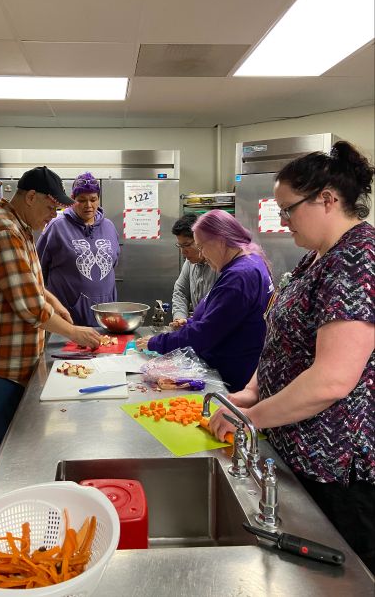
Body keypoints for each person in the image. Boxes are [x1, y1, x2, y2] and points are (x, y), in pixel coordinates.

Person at [209, 142, 374, 573]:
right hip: (296, 448)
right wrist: (251, 391)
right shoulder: (314, 258)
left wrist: (252, 418)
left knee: (341, 577)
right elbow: (286, 342)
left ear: (327, 199)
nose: (282, 222)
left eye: (288, 210)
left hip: (336, 466)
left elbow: (333, 380)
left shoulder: (357, 257)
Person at [0, 166, 101, 490]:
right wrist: (75, 333)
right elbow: (30, 307)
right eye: (50, 207)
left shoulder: (17, 228)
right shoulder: (2, 231)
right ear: (30, 197)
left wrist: (55, 301)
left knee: (12, 444)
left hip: (15, 360)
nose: (52, 216)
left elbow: (29, 282)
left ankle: (9, 501)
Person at [136, 210, 274, 392]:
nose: (201, 254)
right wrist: (191, 321)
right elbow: (216, 314)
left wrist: (157, 342)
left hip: (233, 375)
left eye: (201, 247)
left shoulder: (239, 276)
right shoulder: (250, 261)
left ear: (220, 241)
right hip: (238, 364)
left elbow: (205, 334)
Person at [36, 171, 120, 326]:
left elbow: (112, 263)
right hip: (68, 318)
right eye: (82, 200)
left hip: (106, 316)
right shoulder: (57, 226)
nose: (88, 205)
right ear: (72, 200)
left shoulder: (109, 226)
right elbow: (38, 270)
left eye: (93, 199)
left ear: (98, 199)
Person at [171, 213, 218, 329]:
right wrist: (179, 318)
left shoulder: (220, 266)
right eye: (180, 246)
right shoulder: (190, 263)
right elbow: (180, 291)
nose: (183, 252)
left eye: (186, 245)